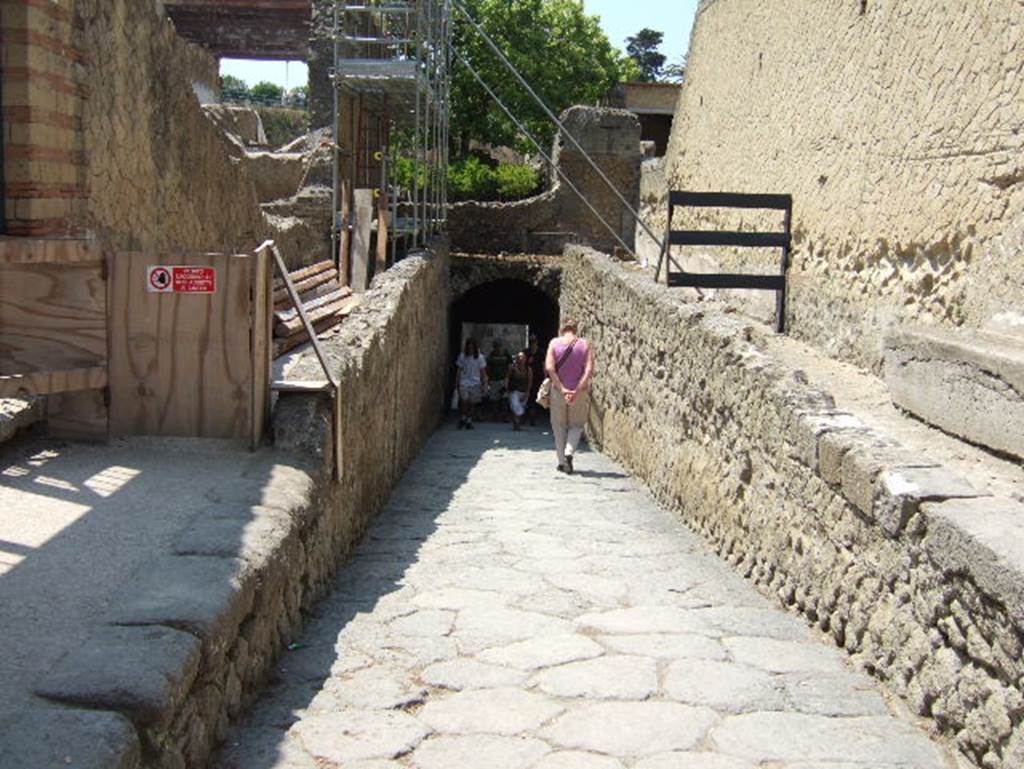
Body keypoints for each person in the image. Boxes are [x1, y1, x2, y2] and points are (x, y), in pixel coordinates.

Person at [545, 319, 594, 474]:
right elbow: (589, 370)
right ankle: (569, 452)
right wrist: (577, 390)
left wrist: (563, 388)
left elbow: (549, 368)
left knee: (558, 426)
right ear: (575, 329)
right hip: (579, 393)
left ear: (562, 328)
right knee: (576, 425)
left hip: (559, 393)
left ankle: (561, 462)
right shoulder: (585, 344)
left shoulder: (554, 343)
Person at [455, 338, 488, 430]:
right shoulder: (462, 356)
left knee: (472, 403)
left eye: (472, 347)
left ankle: (469, 420)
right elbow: (459, 370)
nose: (470, 349)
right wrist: (457, 382)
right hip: (464, 382)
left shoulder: (480, 358)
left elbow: (483, 372)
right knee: (464, 401)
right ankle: (463, 417)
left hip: (475, 383)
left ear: (475, 348)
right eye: (469, 347)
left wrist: (484, 383)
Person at [505, 350, 533, 431]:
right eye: (519, 357)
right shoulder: (512, 367)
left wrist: (527, 393)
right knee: (515, 405)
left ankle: (517, 423)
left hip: (524, 391)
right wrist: (506, 387)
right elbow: (507, 377)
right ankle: (516, 424)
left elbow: (530, 381)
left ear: (525, 359)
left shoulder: (529, 369)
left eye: (523, 357)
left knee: (521, 407)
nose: (521, 359)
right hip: (514, 390)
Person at [486, 338, 513, 421]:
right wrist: (488, 379)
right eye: (496, 346)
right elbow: (487, 368)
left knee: (504, 399)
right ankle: (495, 415)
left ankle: (505, 416)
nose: (498, 348)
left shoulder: (506, 354)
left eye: (499, 346)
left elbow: (510, 366)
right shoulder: (491, 355)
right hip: (494, 380)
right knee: (494, 400)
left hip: (503, 380)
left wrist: (507, 378)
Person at [526, 333, 545, 426]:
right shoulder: (526, 352)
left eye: (533, 341)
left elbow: (544, 366)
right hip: (527, 378)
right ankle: (528, 416)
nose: (532, 343)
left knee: (537, 397)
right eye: (530, 341)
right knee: (529, 397)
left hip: (538, 378)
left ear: (537, 342)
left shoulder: (541, 353)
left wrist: (545, 379)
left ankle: (534, 416)